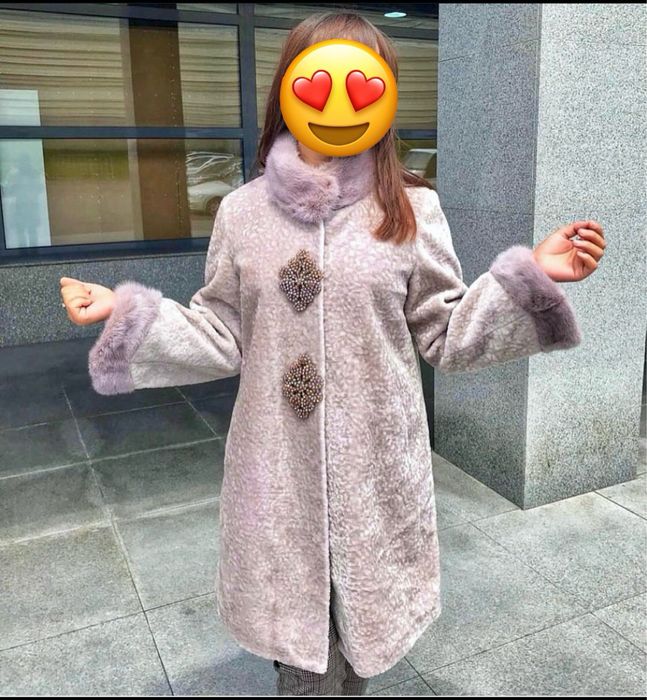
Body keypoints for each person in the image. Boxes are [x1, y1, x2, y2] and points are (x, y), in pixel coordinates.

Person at [59, 11, 605, 697]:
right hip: (275, 467)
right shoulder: (242, 213)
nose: (340, 104)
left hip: (375, 465)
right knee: (300, 648)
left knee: (356, 640)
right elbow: (221, 331)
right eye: (318, 85)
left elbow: (446, 331)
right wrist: (126, 312)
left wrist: (529, 277)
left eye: (362, 87)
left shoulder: (410, 210)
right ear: (288, 92)